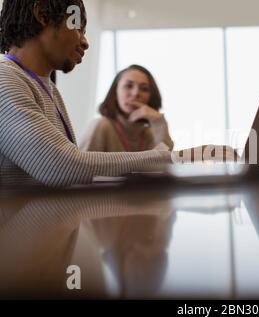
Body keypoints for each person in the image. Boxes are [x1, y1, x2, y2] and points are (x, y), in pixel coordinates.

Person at [0, 0, 235, 188]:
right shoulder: (5, 79)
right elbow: (61, 167)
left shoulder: (47, 88)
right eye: (78, 27)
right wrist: (178, 157)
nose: (85, 41)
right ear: (42, 13)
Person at [80, 65, 174, 153]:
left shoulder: (149, 133)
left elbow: (164, 163)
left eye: (144, 89)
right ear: (115, 92)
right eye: (128, 86)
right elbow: (80, 169)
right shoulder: (101, 126)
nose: (135, 93)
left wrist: (158, 121)